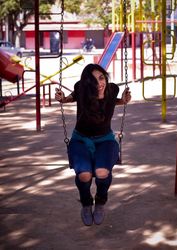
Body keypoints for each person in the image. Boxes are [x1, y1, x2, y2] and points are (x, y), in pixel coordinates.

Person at [55, 63, 131, 226]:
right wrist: (62, 98)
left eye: (101, 78)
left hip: (105, 139)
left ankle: (100, 201)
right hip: (80, 139)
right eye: (93, 81)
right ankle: (86, 202)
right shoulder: (81, 90)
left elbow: (111, 101)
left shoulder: (112, 90)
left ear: (105, 77)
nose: (99, 84)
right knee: (84, 175)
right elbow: (70, 98)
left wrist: (123, 101)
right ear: (87, 84)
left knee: (102, 172)